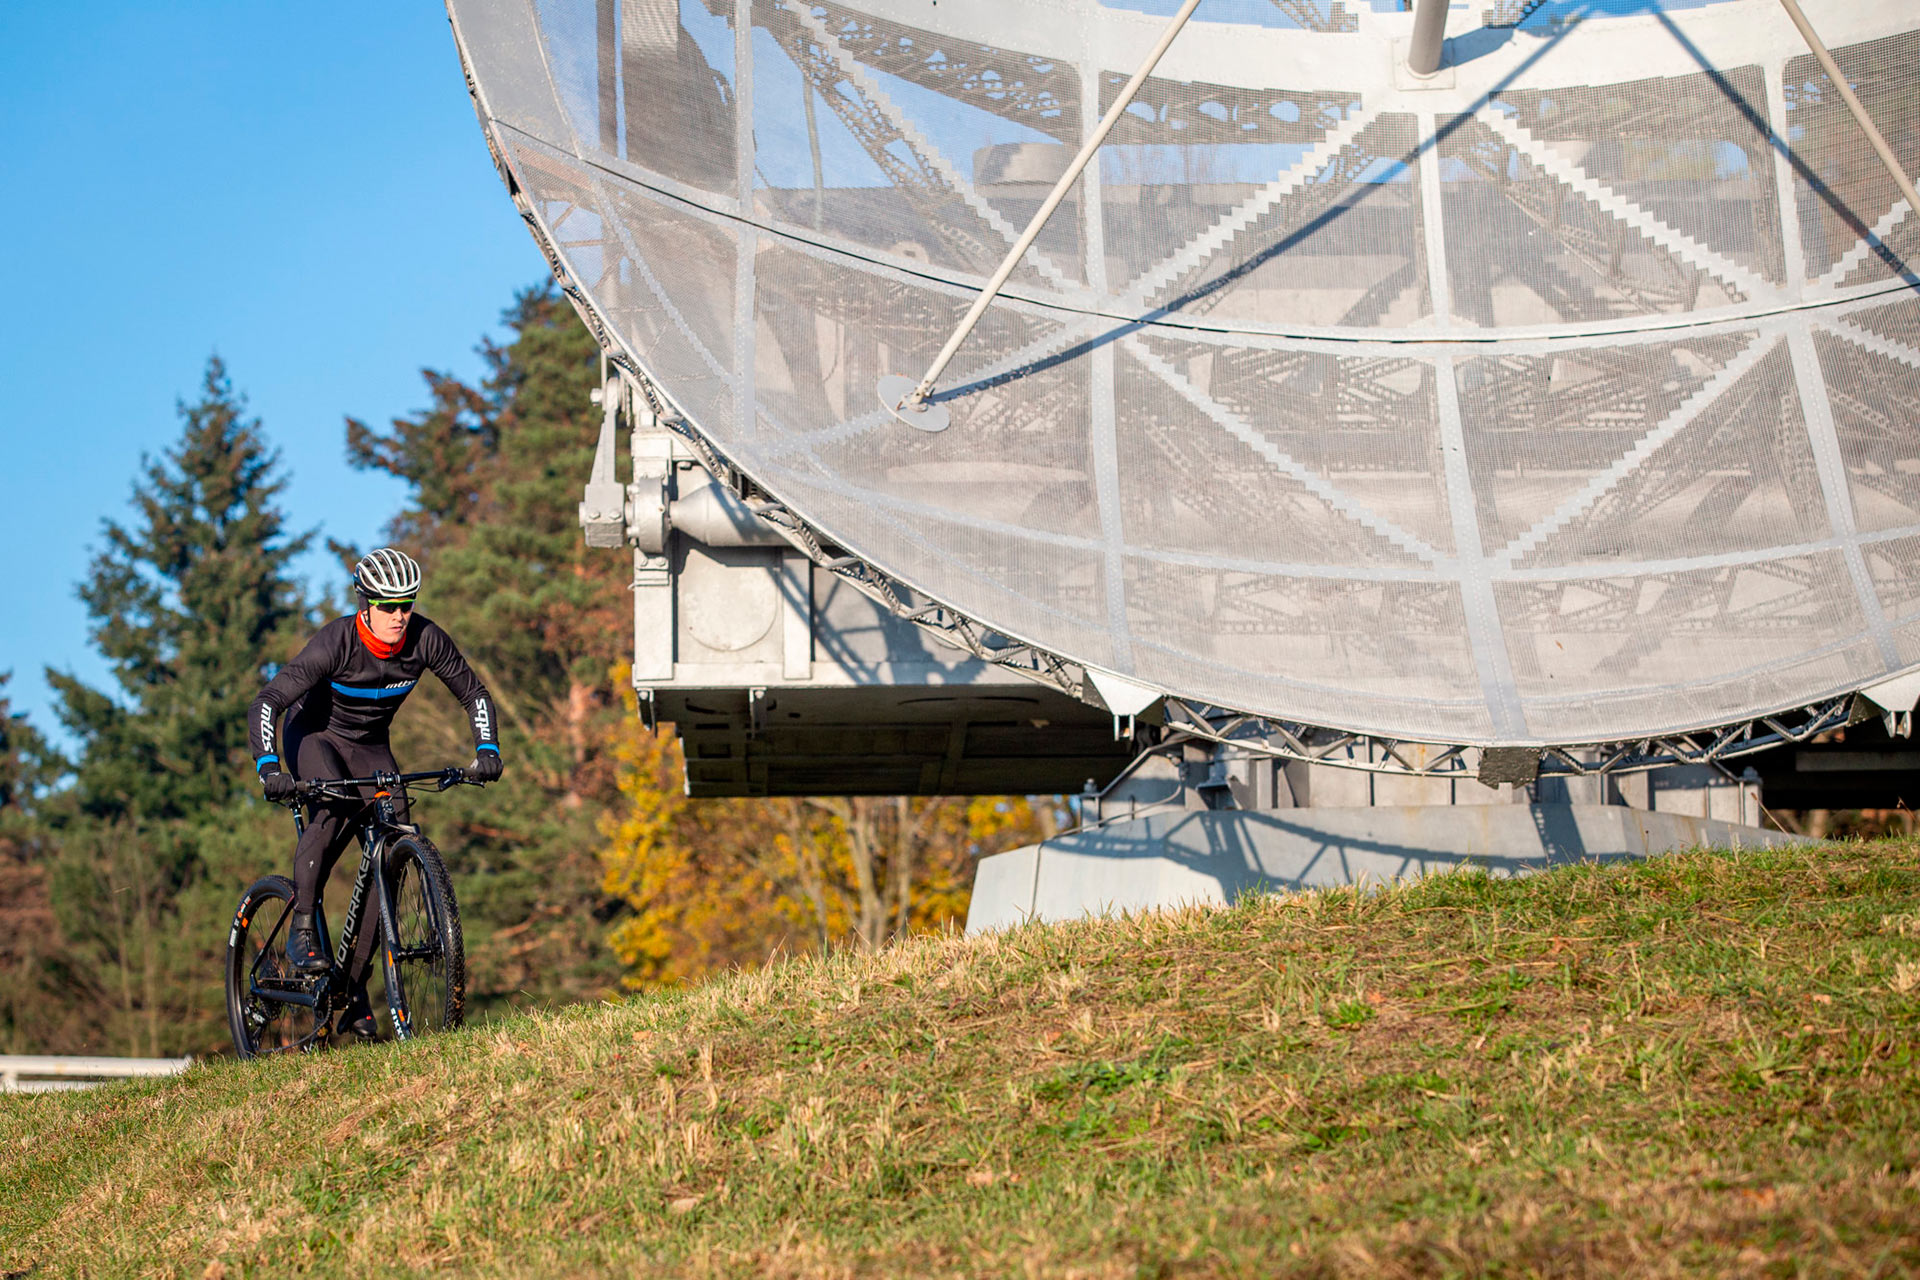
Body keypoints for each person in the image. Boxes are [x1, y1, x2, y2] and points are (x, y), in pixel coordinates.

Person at [246, 547, 502, 1039]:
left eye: (406, 603)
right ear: (365, 604)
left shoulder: (425, 638)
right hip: (315, 738)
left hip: (370, 748)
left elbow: (475, 693)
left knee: (396, 838)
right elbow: (269, 701)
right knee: (328, 815)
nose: (399, 615)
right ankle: (302, 928)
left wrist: (486, 749)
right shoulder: (336, 642)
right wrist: (268, 766)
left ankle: (351, 989)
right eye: (388, 605)